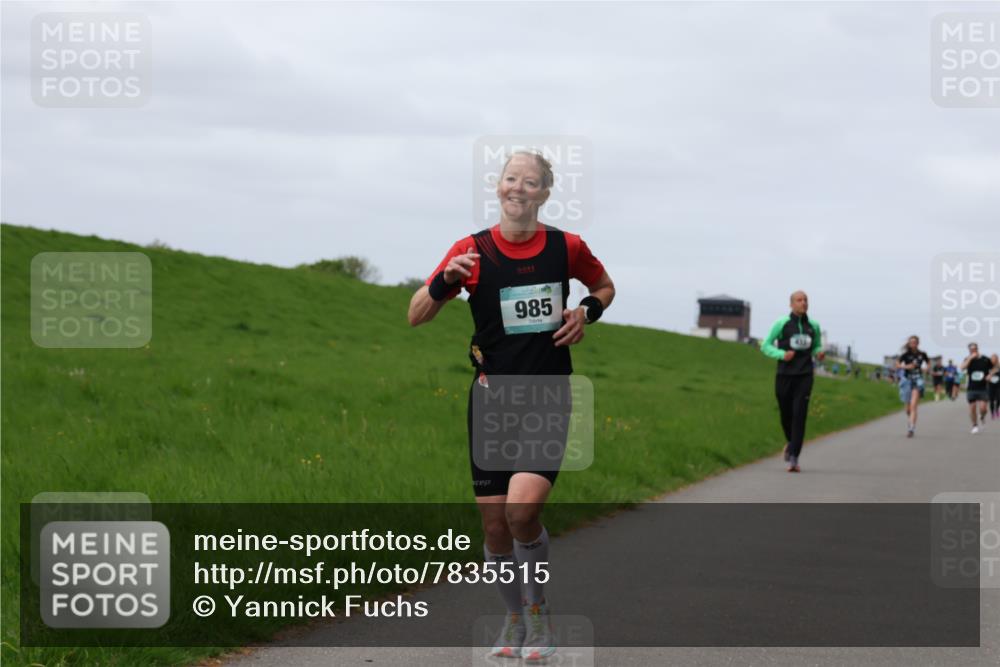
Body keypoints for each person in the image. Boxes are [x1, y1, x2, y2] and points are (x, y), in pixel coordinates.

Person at [408, 151, 614, 661]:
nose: (518, 188)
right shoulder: (470, 251)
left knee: (523, 511)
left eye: (530, 182)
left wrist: (585, 312)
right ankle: (514, 619)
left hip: (546, 394)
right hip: (490, 400)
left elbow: (604, 287)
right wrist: (445, 281)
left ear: (544, 193)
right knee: (495, 525)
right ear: (498, 188)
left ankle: (539, 615)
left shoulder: (567, 247)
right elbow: (416, 315)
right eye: (510, 179)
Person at [760, 291, 824, 472]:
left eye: (806, 300)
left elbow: (816, 345)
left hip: (805, 375)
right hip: (784, 375)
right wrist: (781, 354)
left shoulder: (814, 325)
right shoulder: (781, 324)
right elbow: (765, 345)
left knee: (799, 415)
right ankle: (791, 443)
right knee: (785, 414)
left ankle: (794, 457)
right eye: (799, 300)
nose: (803, 303)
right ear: (791, 304)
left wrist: (818, 352)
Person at [896, 336, 929, 438]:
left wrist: (926, 368)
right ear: (909, 344)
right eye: (911, 342)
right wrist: (905, 366)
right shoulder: (905, 355)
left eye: (915, 342)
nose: (913, 344)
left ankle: (911, 428)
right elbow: (897, 364)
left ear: (918, 343)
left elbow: (928, 363)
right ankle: (910, 419)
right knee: (908, 409)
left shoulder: (922, 354)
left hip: (918, 380)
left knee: (914, 405)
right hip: (907, 380)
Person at [962, 342, 992, 434]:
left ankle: (982, 416)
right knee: (972, 408)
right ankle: (975, 425)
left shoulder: (985, 359)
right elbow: (962, 367)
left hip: (983, 388)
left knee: (983, 408)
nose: (973, 351)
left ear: (977, 349)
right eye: (971, 350)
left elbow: (994, 368)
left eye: (975, 349)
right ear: (969, 351)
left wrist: (990, 375)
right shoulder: (968, 359)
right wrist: (970, 358)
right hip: (972, 388)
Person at [989, 354, 1000, 420]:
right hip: (991, 385)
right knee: (991, 400)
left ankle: (997, 410)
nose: (994, 360)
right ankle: (992, 413)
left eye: (995, 358)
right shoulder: (988, 366)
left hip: (998, 385)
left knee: (999, 399)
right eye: (992, 358)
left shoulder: (999, 366)